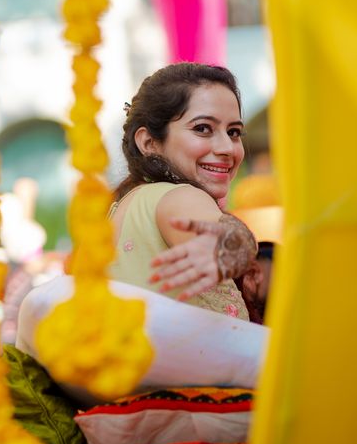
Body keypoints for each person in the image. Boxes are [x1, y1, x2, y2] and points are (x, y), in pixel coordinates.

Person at [108, 63, 258, 319]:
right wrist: (236, 246)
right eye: (202, 129)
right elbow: (226, 235)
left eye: (234, 132)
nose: (227, 148)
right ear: (149, 142)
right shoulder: (179, 196)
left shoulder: (124, 206)